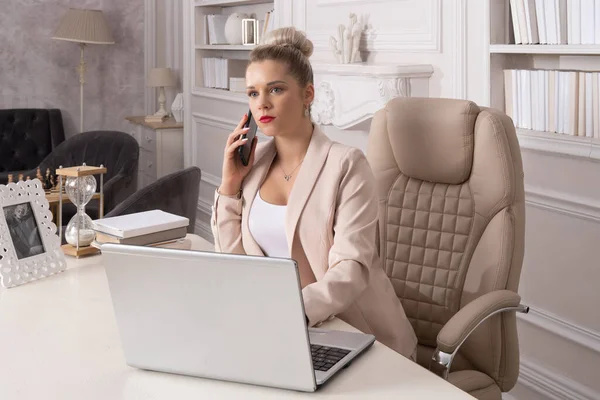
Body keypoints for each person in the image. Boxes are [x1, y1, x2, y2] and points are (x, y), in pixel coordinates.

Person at [211, 27, 417, 359]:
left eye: (275, 89)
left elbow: (351, 267)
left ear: (308, 94)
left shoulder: (347, 165)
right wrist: (230, 186)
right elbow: (233, 263)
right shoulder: (254, 165)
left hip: (352, 333)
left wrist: (290, 313)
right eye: (252, 93)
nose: (262, 103)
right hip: (276, 330)